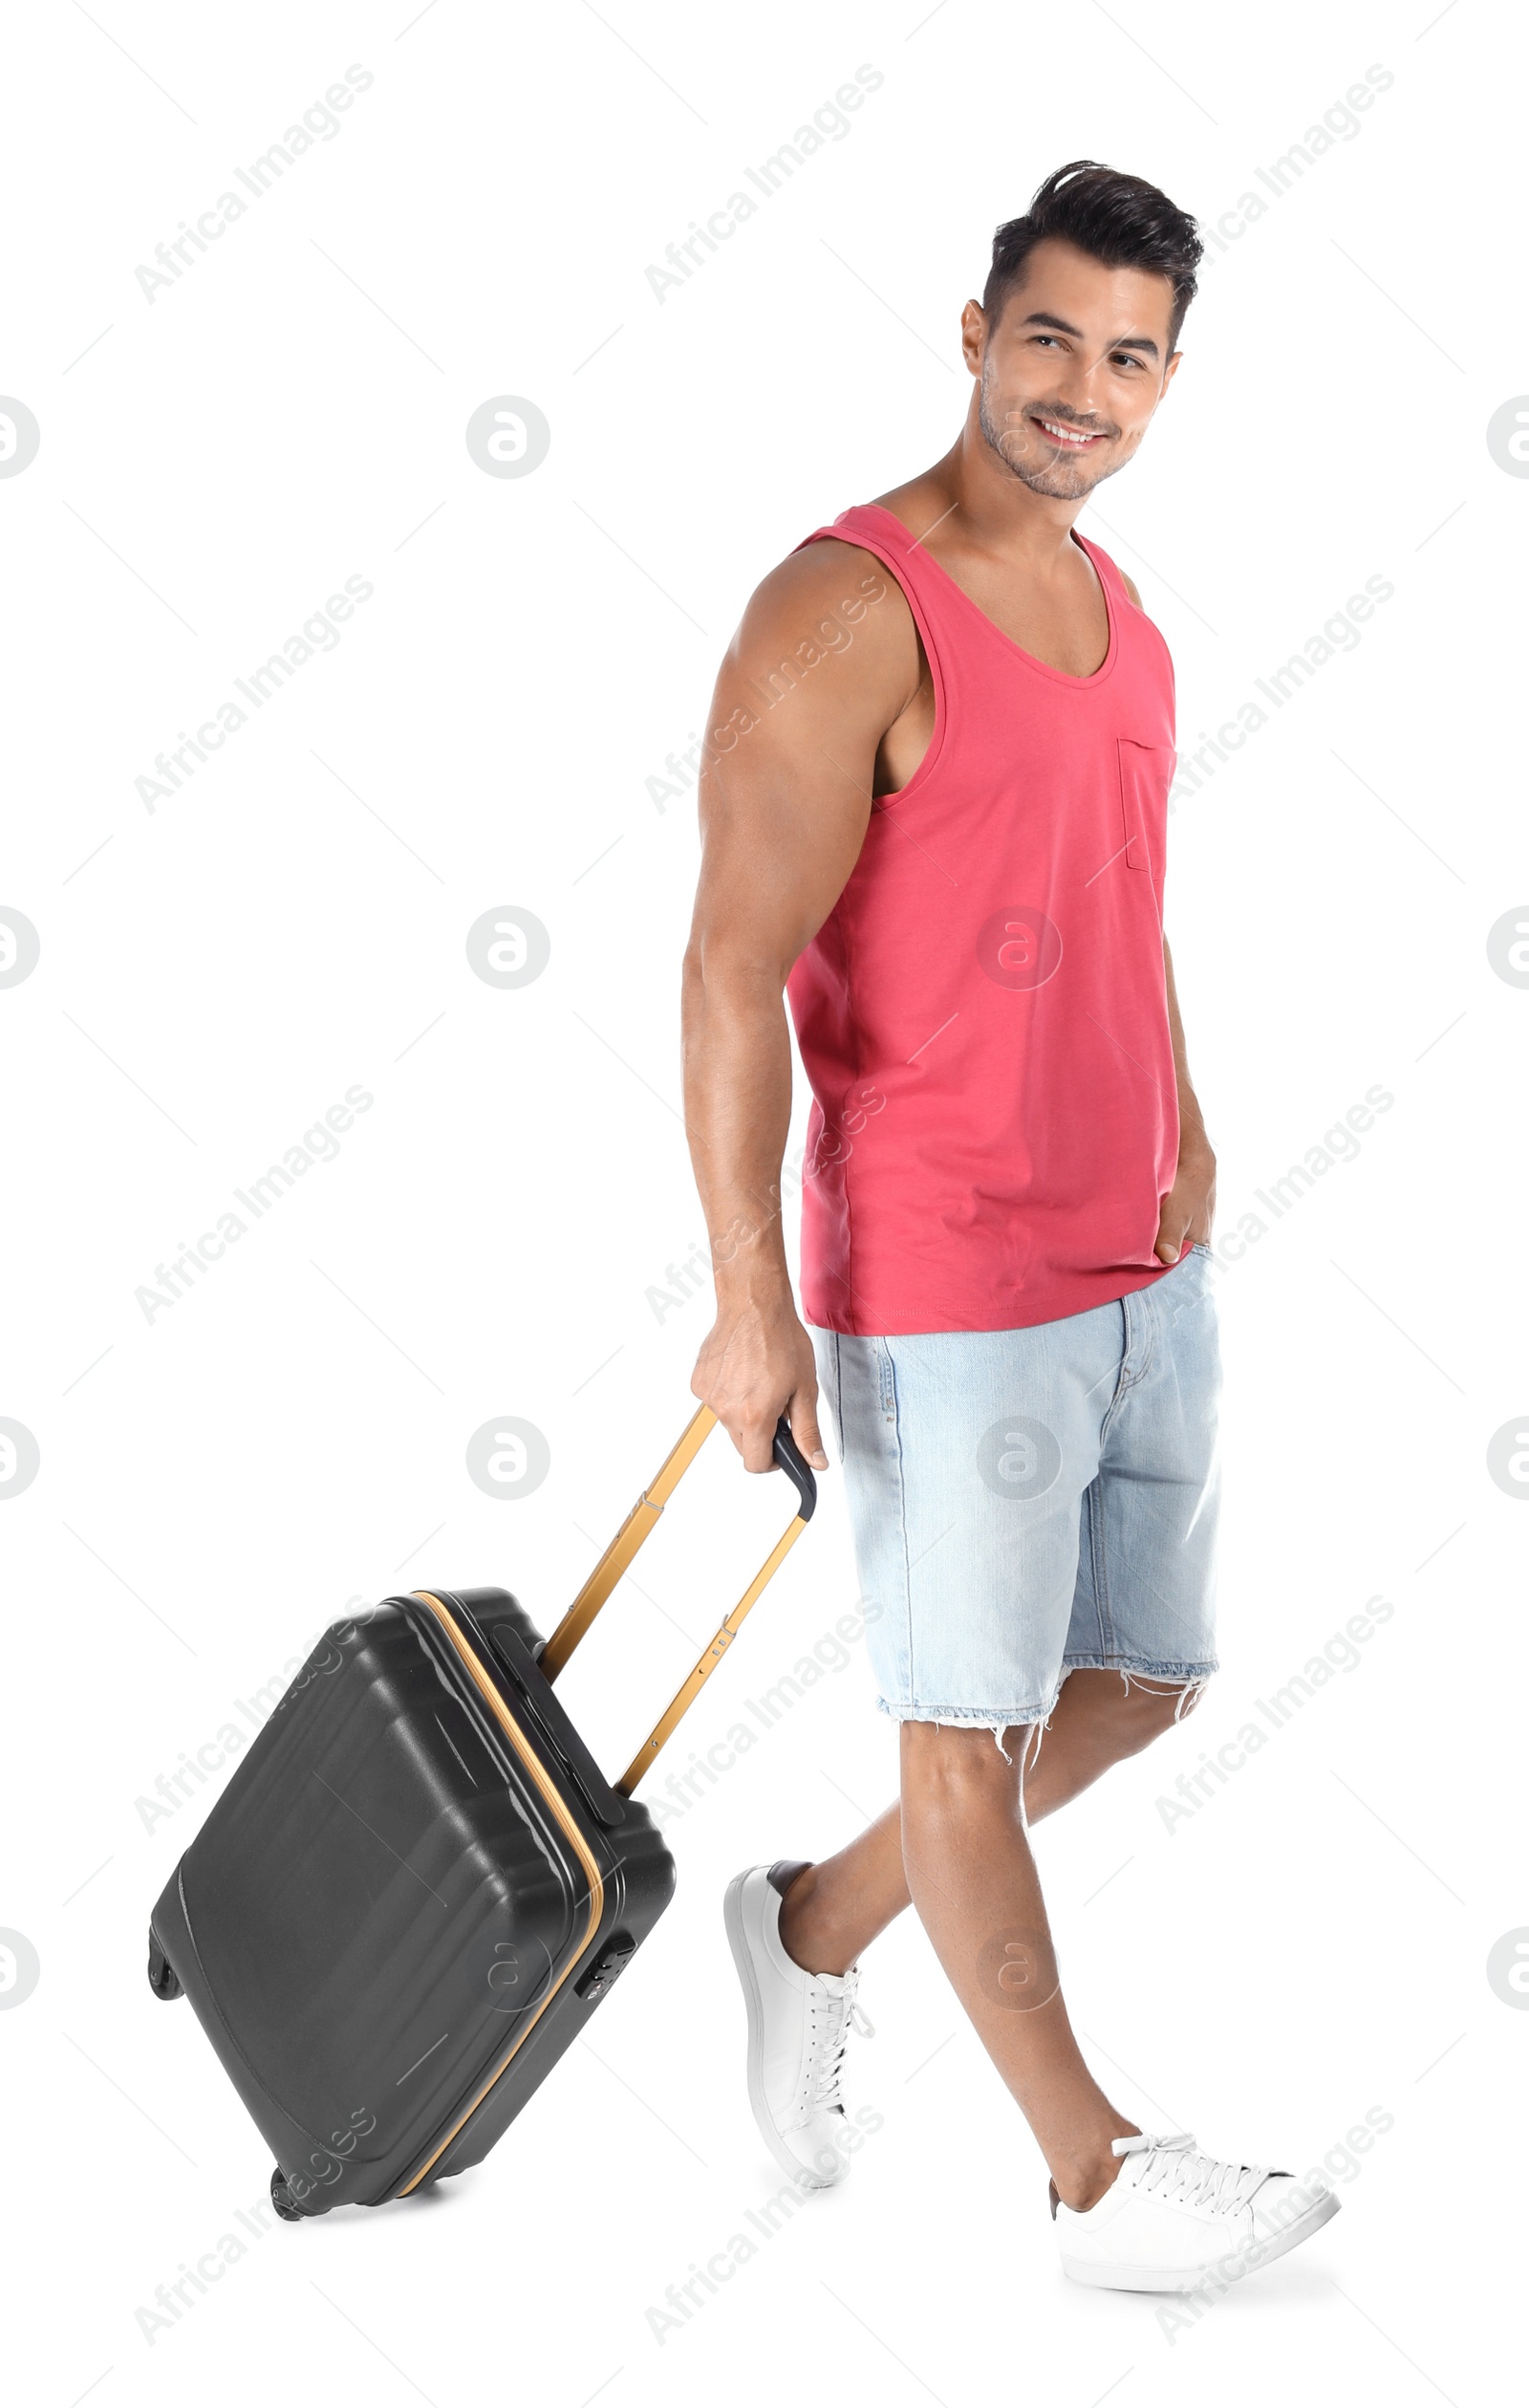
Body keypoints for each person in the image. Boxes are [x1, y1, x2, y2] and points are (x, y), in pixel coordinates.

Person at [680, 162, 1341, 2294]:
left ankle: (804, 1927)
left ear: (1165, 384)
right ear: (971, 334)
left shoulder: (1122, 613)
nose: (1081, 389)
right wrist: (743, 1306)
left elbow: (1111, 906)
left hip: (1144, 1262)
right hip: (945, 1275)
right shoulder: (840, 607)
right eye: (1046, 337)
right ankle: (1095, 2181)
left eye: (1126, 357)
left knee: (1137, 1680)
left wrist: (1191, 1128)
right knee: (954, 1720)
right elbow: (724, 965)